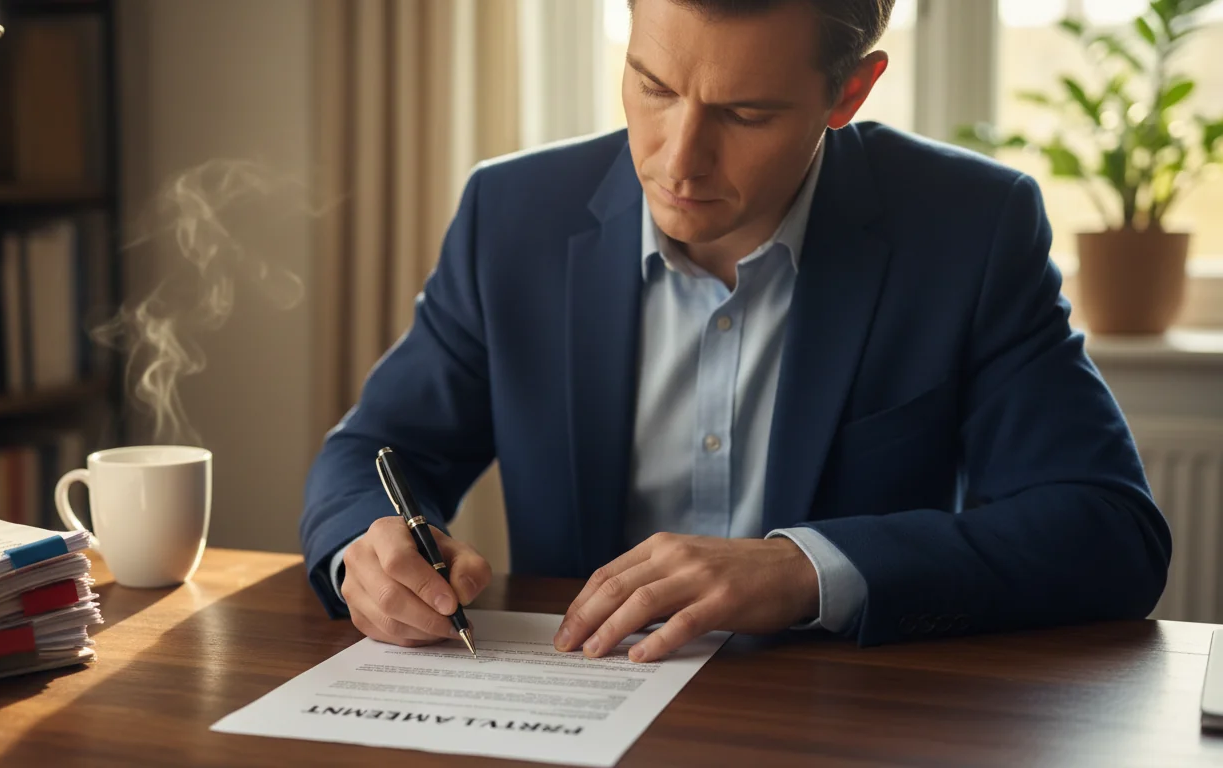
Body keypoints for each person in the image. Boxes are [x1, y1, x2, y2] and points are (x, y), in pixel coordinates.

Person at [300, 0, 1172, 660]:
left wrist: (802, 570)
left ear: (850, 92)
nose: (678, 161)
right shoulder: (513, 215)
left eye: (746, 114)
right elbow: (373, 451)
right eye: (654, 86)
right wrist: (365, 554)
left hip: (841, 728)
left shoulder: (970, 230)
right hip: (576, 714)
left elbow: (1108, 535)